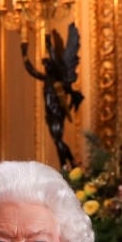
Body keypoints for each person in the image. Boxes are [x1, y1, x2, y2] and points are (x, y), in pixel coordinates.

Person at [21, 23, 83, 172]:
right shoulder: (46, 79)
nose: (46, 67)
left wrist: (48, 38)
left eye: (48, 65)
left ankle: (65, 165)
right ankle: (71, 163)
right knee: (57, 140)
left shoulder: (57, 79)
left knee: (58, 139)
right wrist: (24, 54)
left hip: (57, 113)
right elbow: (31, 71)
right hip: (49, 114)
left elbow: (54, 56)